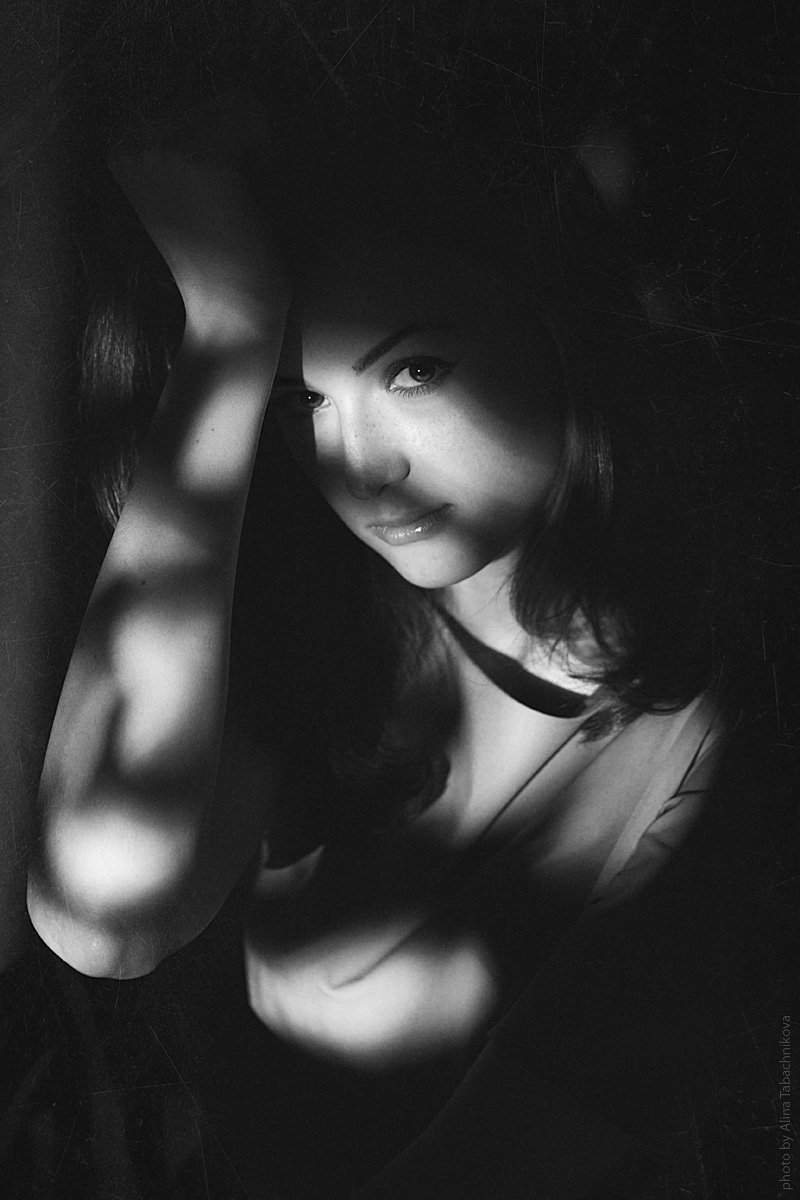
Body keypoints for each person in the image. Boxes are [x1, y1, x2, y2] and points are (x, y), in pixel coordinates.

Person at [25, 109, 740, 1196]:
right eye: (299, 403)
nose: (359, 465)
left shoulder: (715, 722)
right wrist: (228, 328)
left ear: (556, 333)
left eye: (414, 373)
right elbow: (97, 914)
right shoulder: (336, 629)